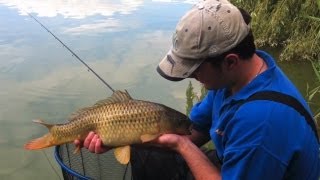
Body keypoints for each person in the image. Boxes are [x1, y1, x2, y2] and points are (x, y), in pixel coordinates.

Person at [75, 0, 320, 179]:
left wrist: (182, 146)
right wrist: (120, 138)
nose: (192, 78)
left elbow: (186, 143)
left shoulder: (261, 122)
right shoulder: (232, 80)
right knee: (145, 153)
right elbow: (193, 132)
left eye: (195, 71)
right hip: (237, 163)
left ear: (230, 61)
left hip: (249, 166)